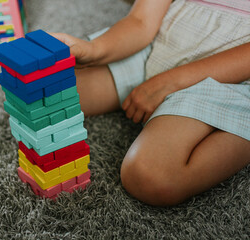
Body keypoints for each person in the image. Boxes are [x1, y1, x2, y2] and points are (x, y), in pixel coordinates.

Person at [51, 0, 250, 206]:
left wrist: (172, 81)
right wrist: (94, 49)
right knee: (44, 93)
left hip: (233, 74)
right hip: (165, 38)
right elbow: (141, 20)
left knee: (150, 176)